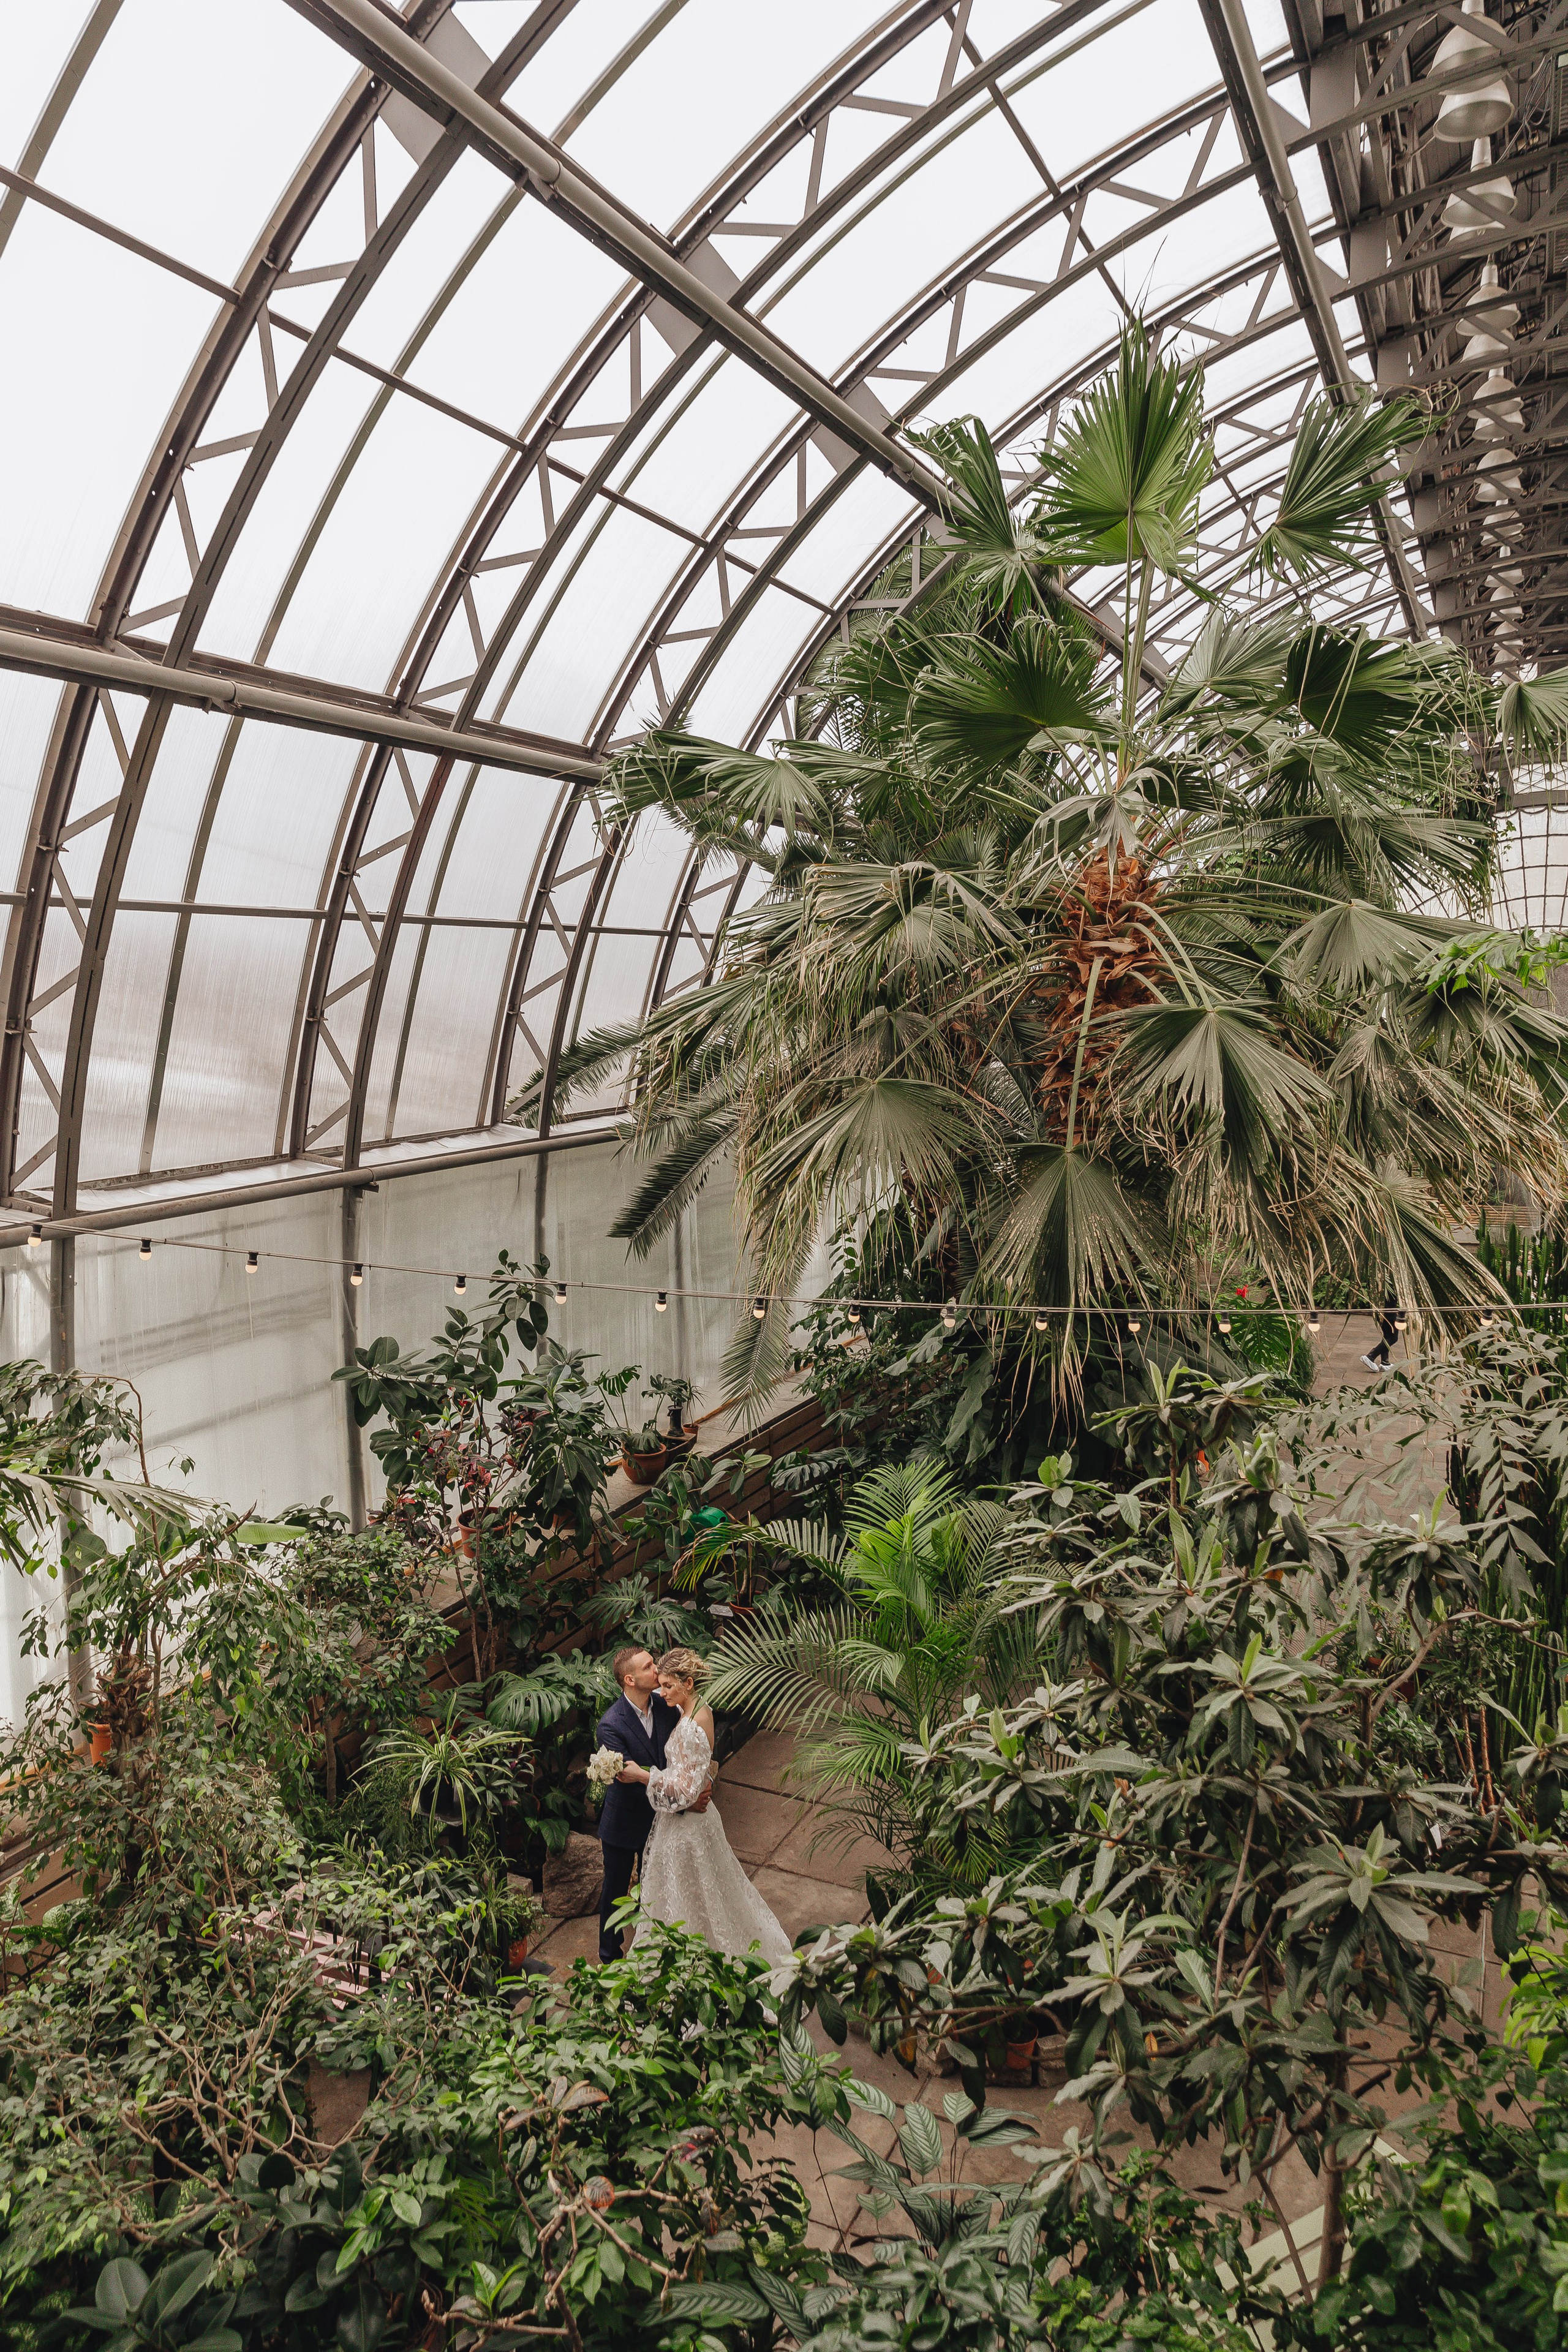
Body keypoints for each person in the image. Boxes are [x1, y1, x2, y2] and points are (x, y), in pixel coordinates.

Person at [619, 1646, 791, 1963]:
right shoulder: (702, 1709)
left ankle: (694, 1961)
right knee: (706, 1893)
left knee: (690, 1898)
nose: (661, 1691)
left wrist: (643, 1776)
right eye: (661, 1684)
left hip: (688, 1827)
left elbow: (684, 1792)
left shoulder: (689, 1728)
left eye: (668, 1685)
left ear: (688, 1684)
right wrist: (705, 1781)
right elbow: (702, 1767)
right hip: (699, 1820)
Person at [593, 1645, 710, 1962]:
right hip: (625, 1822)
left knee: (657, 1888)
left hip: (663, 1821)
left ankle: (653, 1952)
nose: (657, 1669)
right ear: (630, 1680)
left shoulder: (667, 1704)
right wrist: (684, 1801)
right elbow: (629, 1781)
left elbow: (691, 1753)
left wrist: (703, 1781)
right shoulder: (610, 1725)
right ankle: (609, 1957)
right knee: (615, 1893)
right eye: (648, 1667)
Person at [1361, 1296, 1401, 1374]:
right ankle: (1370, 1357)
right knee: (1393, 1338)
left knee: (1387, 1336)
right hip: (1388, 1310)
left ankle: (1385, 1362)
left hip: (1381, 1309)